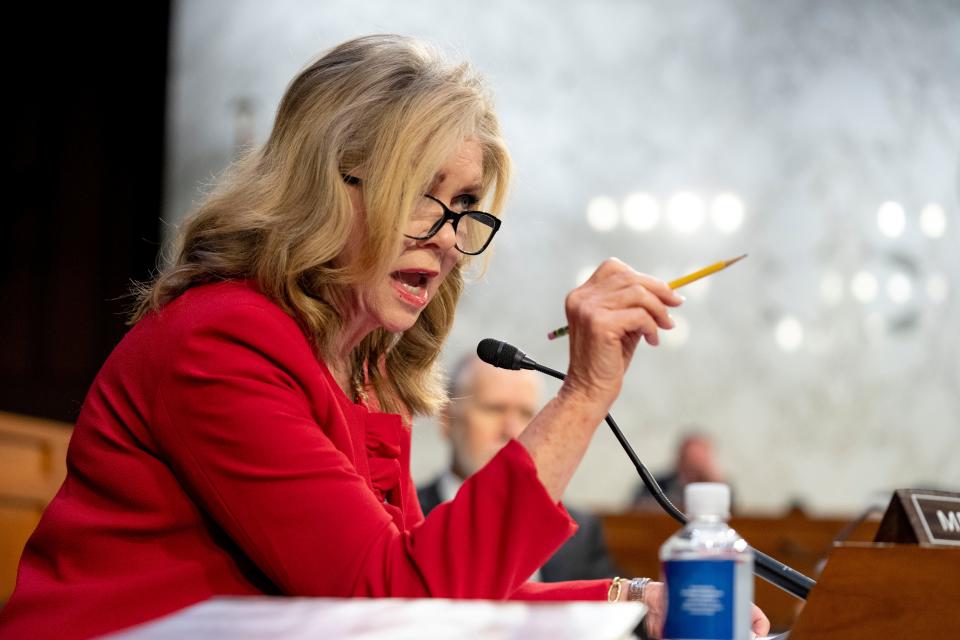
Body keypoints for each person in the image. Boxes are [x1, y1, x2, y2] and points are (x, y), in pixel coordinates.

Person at [0, 35, 768, 639]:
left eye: (463, 202)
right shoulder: (221, 341)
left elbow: (431, 586)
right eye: (418, 195)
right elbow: (395, 604)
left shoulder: (361, 365)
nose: (444, 236)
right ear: (326, 184)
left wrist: (632, 602)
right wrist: (583, 394)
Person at [418, 353, 620, 582]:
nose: (512, 431)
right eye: (494, 409)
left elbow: (624, 611)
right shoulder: (404, 517)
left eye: (525, 414)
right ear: (448, 420)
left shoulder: (579, 533)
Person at [633, 431, 726, 511]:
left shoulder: (719, 487)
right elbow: (638, 509)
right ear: (680, 459)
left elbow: (731, 513)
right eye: (689, 459)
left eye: (698, 460)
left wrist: (715, 484)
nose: (693, 466)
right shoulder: (656, 483)